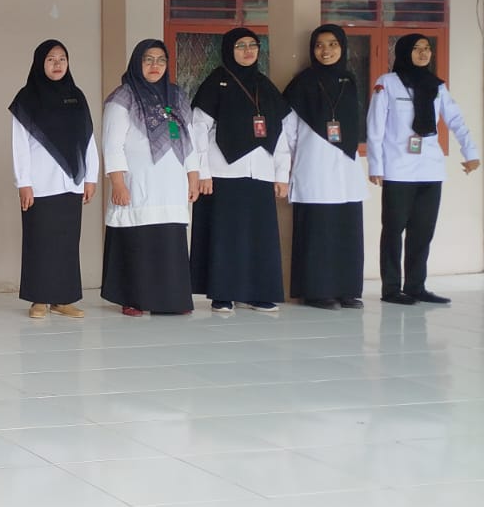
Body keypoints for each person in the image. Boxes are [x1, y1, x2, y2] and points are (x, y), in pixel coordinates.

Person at [367, 34, 479, 305]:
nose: (423, 53)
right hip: (397, 169)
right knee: (394, 230)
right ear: (405, 52)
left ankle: (416, 286)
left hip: (430, 168)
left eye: (427, 48)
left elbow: (455, 119)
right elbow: (375, 127)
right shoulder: (387, 84)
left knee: (422, 231)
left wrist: (471, 153)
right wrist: (375, 165)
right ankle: (392, 289)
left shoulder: (436, 86)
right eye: (417, 48)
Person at [188, 28, 292, 313]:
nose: (247, 51)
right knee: (226, 236)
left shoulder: (265, 85)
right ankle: (222, 293)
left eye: (252, 45)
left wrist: (282, 174)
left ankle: (258, 292)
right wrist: (202, 172)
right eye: (240, 46)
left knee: (259, 235)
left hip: (260, 171)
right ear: (228, 50)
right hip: (223, 172)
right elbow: (198, 129)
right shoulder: (215, 83)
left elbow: (281, 132)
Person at [101, 39, 199, 317]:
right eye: (148, 59)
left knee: (169, 239)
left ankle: (171, 299)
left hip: (171, 182)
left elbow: (189, 138)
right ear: (136, 62)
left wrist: (193, 175)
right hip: (138, 181)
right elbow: (112, 144)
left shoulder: (176, 96)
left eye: (160, 60)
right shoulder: (124, 97)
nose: (155, 66)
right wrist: (117, 182)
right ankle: (133, 298)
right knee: (138, 239)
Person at [10, 39, 99, 319]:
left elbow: (88, 139)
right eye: (51, 59)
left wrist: (91, 176)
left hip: (71, 181)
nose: (57, 64)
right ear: (40, 63)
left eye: (62, 58)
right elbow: (19, 145)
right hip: (39, 183)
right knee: (39, 240)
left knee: (67, 241)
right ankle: (39, 299)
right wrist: (23, 182)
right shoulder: (26, 98)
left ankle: (63, 299)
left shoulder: (77, 96)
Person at [281, 24, 367, 309]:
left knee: (346, 229)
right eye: (319, 45)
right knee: (319, 231)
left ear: (342, 47)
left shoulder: (349, 80)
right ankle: (317, 291)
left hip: (346, 168)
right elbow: (288, 131)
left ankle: (346, 289)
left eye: (332, 44)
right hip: (314, 165)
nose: (326, 50)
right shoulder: (302, 83)